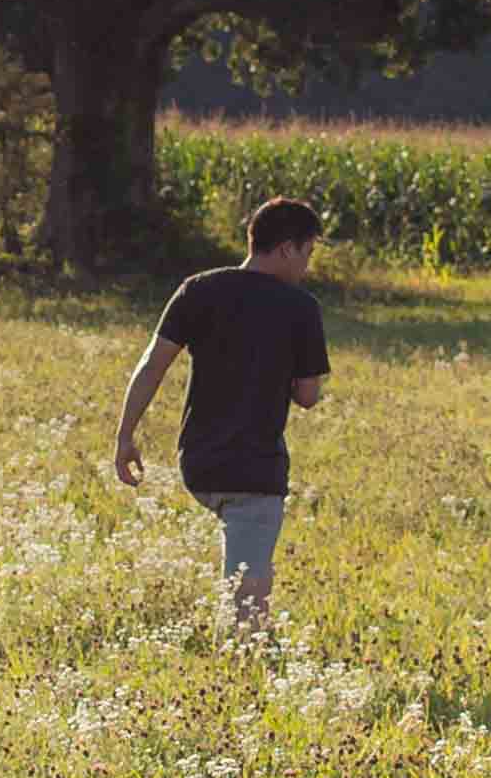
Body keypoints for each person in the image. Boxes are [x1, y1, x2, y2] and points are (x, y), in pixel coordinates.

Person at [112, 194, 331, 627]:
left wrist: (125, 436)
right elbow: (307, 396)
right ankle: (244, 665)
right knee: (249, 595)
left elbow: (151, 364)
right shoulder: (301, 307)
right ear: (287, 248)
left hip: (199, 462)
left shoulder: (198, 289)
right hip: (254, 467)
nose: (307, 265)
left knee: (238, 545)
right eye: (306, 252)